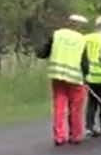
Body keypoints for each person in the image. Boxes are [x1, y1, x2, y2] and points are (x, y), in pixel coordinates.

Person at [35, 14, 92, 146]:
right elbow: (84, 63)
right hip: (75, 77)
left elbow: (43, 52)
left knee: (59, 106)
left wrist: (38, 51)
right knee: (76, 108)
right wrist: (86, 77)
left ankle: (59, 136)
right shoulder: (81, 39)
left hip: (58, 76)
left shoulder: (57, 35)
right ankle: (75, 135)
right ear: (79, 26)